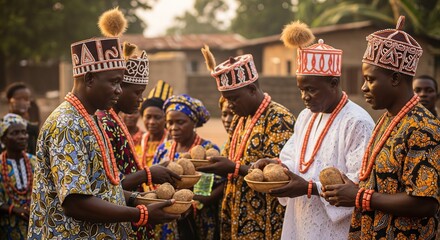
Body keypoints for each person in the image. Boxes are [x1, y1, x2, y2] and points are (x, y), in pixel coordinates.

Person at [27, 8, 179, 239]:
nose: (119, 90)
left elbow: (102, 189)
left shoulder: (89, 119)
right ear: (89, 79)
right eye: (115, 82)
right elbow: (75, 202)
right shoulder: (67, 124)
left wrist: (137, 198)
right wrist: (140, 213)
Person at [252, 21, 375, 239]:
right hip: (299, 219)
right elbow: (295, 160)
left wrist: (310, 188)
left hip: (334, 228)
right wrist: (276, 165)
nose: (305, 97)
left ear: (334, 84)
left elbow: (358, 184)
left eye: (311, 90)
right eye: (301, 89)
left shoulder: (357, 122)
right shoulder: (305, 116)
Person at [322, 16, 440, 239]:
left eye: (370, 79)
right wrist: (353, 187)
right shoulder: (387, 119)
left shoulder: (424, 128)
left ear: (395, 78)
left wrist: (360, 196)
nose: (363, 87)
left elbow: (425, 203)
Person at [198, 45, 296, 239]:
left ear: (252, 89)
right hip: (236, 215)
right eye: (227, 100)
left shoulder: (279, 118)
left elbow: (279, 175)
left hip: (265, 220)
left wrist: (234, 168)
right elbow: (229, 157)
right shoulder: (241, 118)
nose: (230, 106)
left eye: (234, 99)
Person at [97, 44, 180, 239]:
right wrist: (149, 174)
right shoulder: (105, 122)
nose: (141, 99)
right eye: (137, 92)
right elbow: (106, 184)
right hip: (120, 212)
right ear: (119, 88)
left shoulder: (115, 119)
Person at [153, 94, 223, 240]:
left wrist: (202, 199)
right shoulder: (163, 149)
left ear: (194, 122)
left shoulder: (208, 149)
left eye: (180, 122)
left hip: (201, 217)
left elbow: (223, 182)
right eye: (169, 122)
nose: (173, 128)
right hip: (169, 216)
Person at [0, 114, 35, 239]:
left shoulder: (35, 162)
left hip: (34, 225)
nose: (22, 137)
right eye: (15, 133)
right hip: (7, 229)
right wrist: (14, 209)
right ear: (3, 139)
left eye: (24, 132)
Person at [140, 80, 173, 168]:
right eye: (148, 117)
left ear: (166, 119)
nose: (152, 122)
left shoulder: (172, 143)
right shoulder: (137, 141)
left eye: (157, 117)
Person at [4, 83, 39, 155]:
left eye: (26, 99)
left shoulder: (33, 129)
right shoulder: (3, 126)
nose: (22, 102)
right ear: (9, 100)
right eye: (18, 99)